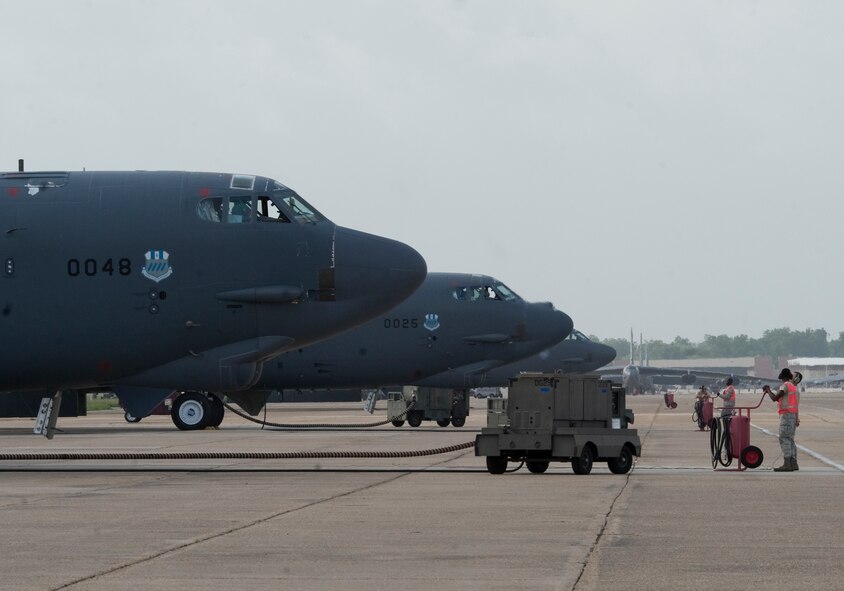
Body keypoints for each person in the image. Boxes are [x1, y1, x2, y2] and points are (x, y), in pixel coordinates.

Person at [764, 368, 800, 472]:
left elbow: (775, 398)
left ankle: (787, 464)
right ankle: (793, 463)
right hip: (792, 415)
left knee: (784, 438)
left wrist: (768, 390)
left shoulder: (785, 386)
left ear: (782, 377)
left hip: (786, 415)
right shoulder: (793, 387)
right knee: (790, 439)